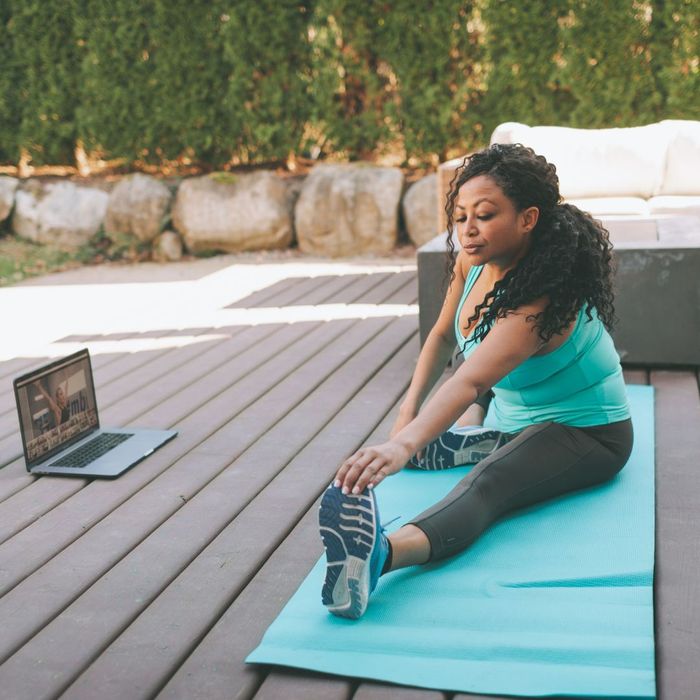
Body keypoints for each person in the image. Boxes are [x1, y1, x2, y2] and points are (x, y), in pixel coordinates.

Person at [318, 143, 633, 620]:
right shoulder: (473, 261)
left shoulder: (541, 302)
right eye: (460, 214)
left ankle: (380, 555)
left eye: (484, 215)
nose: (467, 228)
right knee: (472, 386)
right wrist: (406, 419)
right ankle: (485, 435)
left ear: (528, 218)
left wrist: (401, 448)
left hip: (586, 431)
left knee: (487, 485)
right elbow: (444, 335)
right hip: (518, 408)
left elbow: (467, 381)